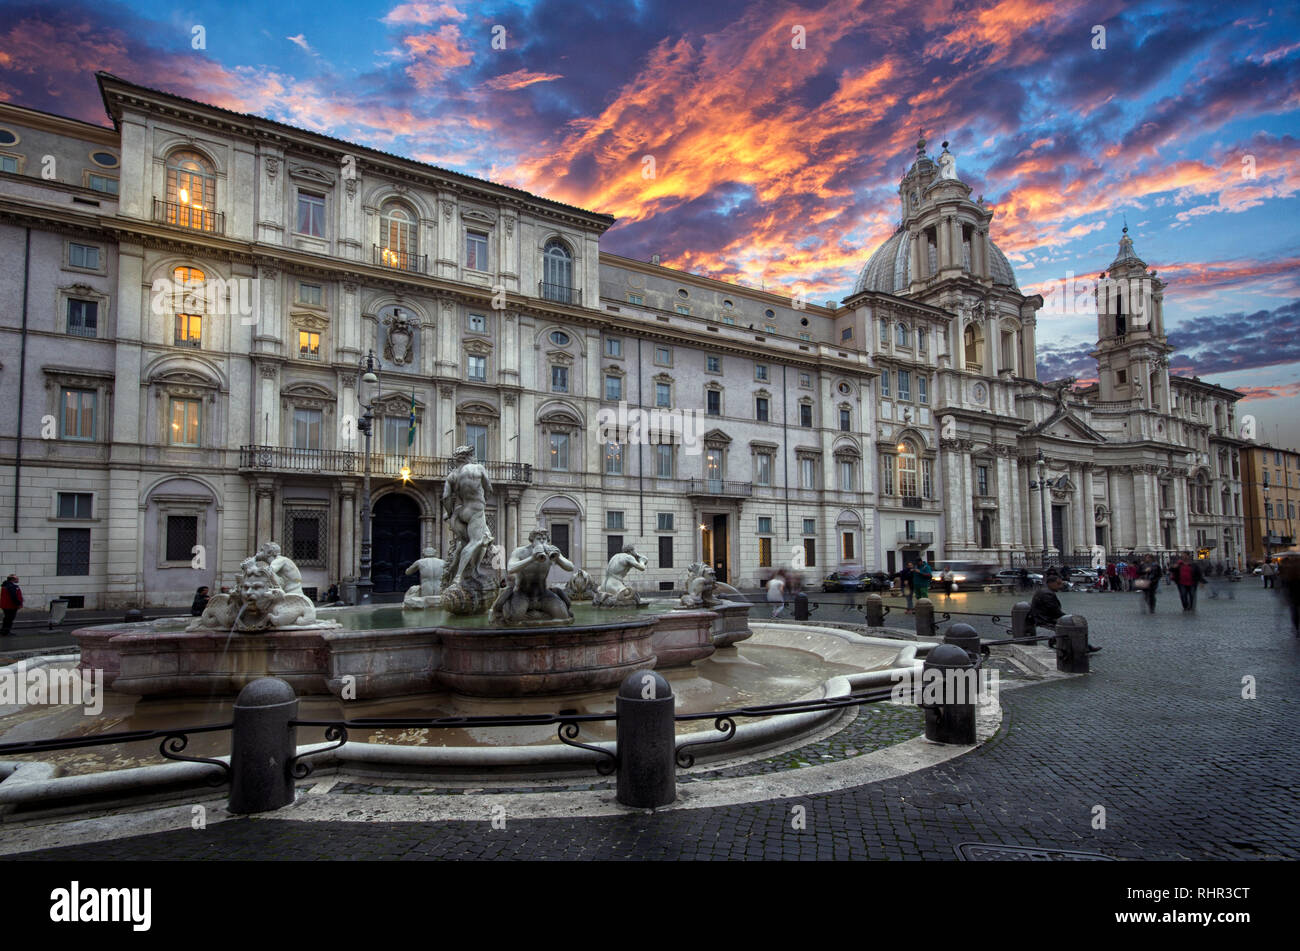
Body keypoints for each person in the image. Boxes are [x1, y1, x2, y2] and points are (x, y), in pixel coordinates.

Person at [1027, 569, 1101, 652]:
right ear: (1050, 583)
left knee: (1071, 623)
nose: (1060, 586)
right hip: (1044, 618)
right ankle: (1084, 647)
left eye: (1061, 583)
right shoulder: (1047, 594)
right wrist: (1069, 618)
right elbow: (1055, 612)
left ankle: (1083, 646)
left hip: (1042, 616)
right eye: (1058, 584)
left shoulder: (1045, 591)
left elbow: (1054, 610)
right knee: (1074, 625)